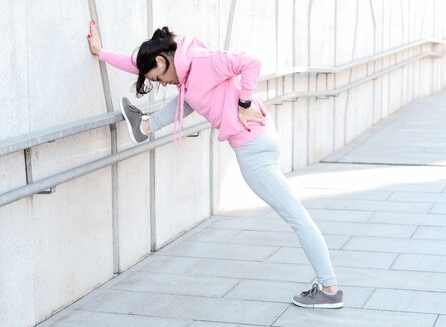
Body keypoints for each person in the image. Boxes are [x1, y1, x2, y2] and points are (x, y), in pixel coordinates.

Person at [87, 21, 343, 309]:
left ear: (162, 60)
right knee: (187, 99)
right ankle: (145, 127)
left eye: (158, 78)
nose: (162, 84)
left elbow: (250, 63)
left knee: (297, 218)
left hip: (254, 148)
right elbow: (141, 67)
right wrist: (102, 52)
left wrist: (244, 103)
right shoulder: (186, 71)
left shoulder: (203, 63)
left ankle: (330, 289)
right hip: (257, 141)